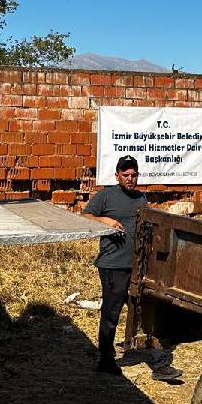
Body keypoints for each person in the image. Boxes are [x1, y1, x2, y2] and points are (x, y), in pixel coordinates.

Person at [81, 156, 181, 381]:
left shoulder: (140, 198)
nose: (130, 179)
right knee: (111, 312)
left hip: (137, 266)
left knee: (143, 312)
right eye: (125, 175)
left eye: (133, 175)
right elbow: (85, 216)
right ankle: (106, 359)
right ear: (117, 175)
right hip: (112, 265)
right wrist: (105, 221)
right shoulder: (106, 196)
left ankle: (157, 362)